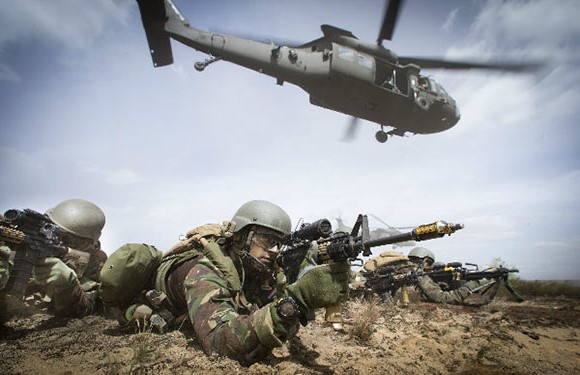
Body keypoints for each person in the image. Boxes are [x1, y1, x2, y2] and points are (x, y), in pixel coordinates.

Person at [123, 200, 350, 365]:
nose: (274, 251)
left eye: (280, 243)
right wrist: (294, 302)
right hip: (165, 306)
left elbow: (271, 300)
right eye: (267, 240)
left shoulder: (256, 270)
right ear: (241, 237)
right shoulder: (205, 271)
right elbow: (219, 343)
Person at [0, 199, 107, 318]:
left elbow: (90, 308)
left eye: (70, 240)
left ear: (88, 243)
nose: (58, 240)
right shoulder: (15, 247)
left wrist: (68, 284)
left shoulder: (95, 263)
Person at [407, 247, 494, 307]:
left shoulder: (406, 274)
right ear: (426, 261)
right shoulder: (422, 278)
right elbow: (444, 298)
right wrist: (471, 286)